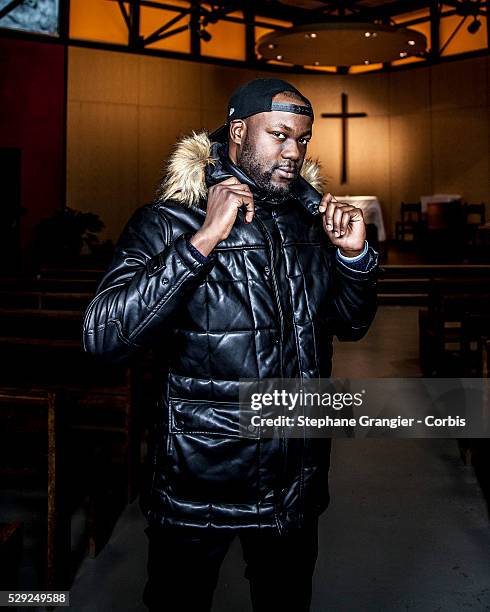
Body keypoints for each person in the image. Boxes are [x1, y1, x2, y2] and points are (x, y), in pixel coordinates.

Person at [83, 78, 379, 612]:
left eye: (302, 140)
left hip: (294, 481)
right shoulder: (169, 220)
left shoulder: (310, 226)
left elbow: (351, 325)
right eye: (280, 136)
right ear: (239, 131)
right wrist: (203, 241)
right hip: (201, 482)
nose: (294, 152)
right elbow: (103, 337)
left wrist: (355, 259)